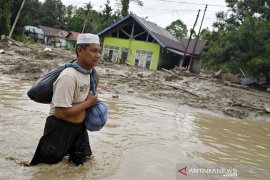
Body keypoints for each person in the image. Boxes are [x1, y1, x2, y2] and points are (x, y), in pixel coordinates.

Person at [30, 33, 101, 166]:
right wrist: (88, 103)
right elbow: (60, 113)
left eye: (99, 51)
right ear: (80, 50)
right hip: (59, 130)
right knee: (44, 168)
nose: (98, 55)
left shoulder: (91, 74)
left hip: (78, 130)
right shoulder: (68, 77)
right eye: (94, 51)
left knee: (84, 166)